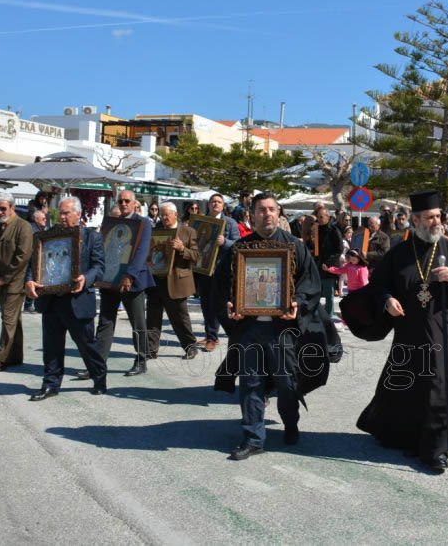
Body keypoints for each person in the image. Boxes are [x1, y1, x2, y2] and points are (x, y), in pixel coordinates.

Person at [353, 190, 448, 472]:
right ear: (415, 220)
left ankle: (439, 449)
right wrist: (387, 299)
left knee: (447, 387)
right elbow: (377, 285)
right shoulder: (398, 253)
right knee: (409, 389)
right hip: (409, 334)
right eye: (430, 217)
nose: (436, 222)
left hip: (445, 332)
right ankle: (411, 438)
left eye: (438, 217)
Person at [213, 192, 339, 460]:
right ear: (252, 215)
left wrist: (297, 304)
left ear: (279, 213)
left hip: (283, 330)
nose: (267, 214)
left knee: (286, 382)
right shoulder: (239, 249)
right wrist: (230, 307)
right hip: (249, 329)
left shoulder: (295, 246)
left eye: (272, 209)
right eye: (261, 210)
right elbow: (221, 286)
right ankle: (253, 437)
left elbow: (310, 284)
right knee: (250, 383)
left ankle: (290, 424)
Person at [25, 196, 107, 400]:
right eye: (59, 213)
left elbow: (99, 268)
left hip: (78, 300)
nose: (61, 217)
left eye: (65, 213)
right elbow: (33, 265)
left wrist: (85, 278)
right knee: (51, 346)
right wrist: (29, 281)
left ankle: (99, 376)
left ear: (78, 214)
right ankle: (50, 384)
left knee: (87, 344)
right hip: (51, 299)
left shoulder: (91, 237)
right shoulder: (47, 237)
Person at [95, 190, 154, 377]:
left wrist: (129, 275)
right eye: (121, 201)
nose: (124, 204)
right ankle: (97, 363)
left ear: (134, 203)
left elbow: (142, 251)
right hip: (110, 280)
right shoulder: (113, 222)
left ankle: (141, 359)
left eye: (127, 201)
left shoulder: (143, 223)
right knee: (105, 321)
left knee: (137, 322)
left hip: (132, 281)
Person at [0, 193, 34, 372]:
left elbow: (22, 257)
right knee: (14, 320)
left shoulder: (23, 227)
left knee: (8, 320)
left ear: (12, 208)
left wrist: (4, 278)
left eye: (3, 208)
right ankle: (15, 356)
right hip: (1, 281)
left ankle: (1, 357)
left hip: (15, 282)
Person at [145, 202, 200, 359]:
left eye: (166, 214)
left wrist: (183, 249)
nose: (163, 218)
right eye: (161, 215)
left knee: (180, 318)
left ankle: (190, 346)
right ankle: (151, 349)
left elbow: (196, 257)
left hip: (177, 281)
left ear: (175, 214)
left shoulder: (188, 232)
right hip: (156, 280)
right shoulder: (155, 231)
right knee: (153, 318)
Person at [194, 193, 240, 352]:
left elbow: (238, 244)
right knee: (206, 304)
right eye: (213, 201)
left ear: (223, 205)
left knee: (219, 305)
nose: (216, 204)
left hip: (222, 270)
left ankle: (216, 337)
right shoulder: (201, 222)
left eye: (219, 202)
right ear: (208, 204)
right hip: (204, 268)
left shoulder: (230, 222)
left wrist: (224, 242)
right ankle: (210, 336)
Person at [308, 205, 343, 317]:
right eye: (318, 217)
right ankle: (316, 313)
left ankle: (329, 315)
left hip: (328, 266)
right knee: (316, 291)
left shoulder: (334, 230)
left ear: (328, 217)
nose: (319, 219)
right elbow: (312, 245)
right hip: (317, 264)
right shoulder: (316, 229)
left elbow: (339, 249)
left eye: (321, 217)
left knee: (329, 292)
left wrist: (328, 263)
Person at [24, 209, 48, 313]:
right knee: (33, 280)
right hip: (32, 260)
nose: (45, 221)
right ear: (36, 219)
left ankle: (30, 304)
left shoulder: (36, 228)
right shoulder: (34, 230)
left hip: (32, 260)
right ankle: (29, 304)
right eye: (43, 219)